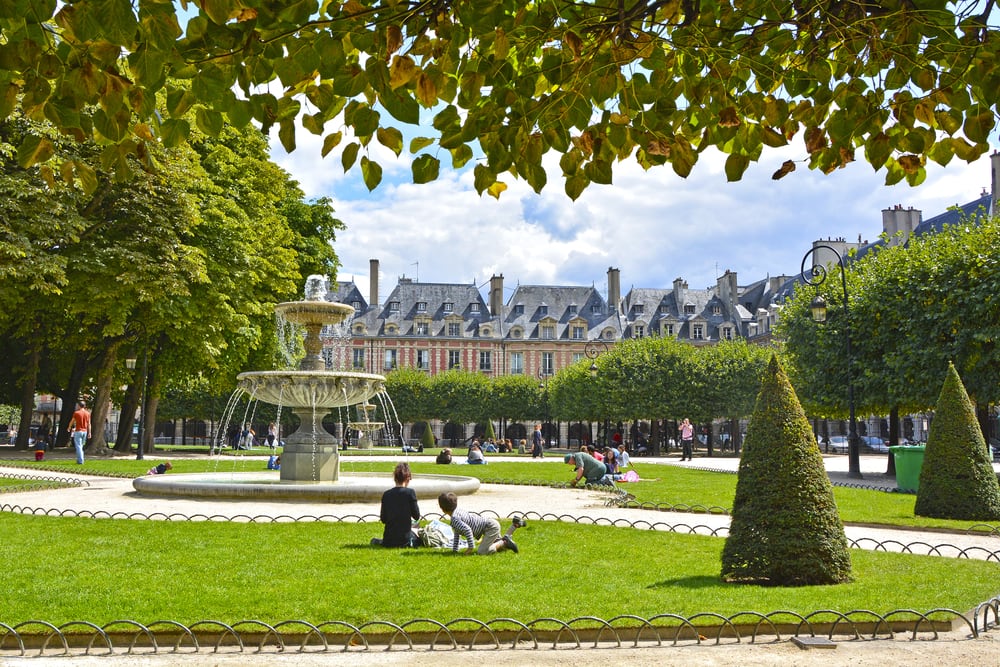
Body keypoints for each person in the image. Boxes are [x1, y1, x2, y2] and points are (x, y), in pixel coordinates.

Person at [437, 492, 525, 555]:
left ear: (442, 509)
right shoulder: (457, 512)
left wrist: (470, 548)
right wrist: (454, 550)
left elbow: (467, 530)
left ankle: (505, 542)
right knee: (499, 547)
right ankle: (514, 525)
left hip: (490, 527)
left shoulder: (455, 519)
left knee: (482, 551)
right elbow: (457, 532)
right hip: (490, 525)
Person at [372, 462, 421, 548]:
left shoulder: (386, 494)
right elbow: (416, 516)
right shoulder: (410, 493)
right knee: (417, 530)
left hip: (388, 539)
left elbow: (383, 519)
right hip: (404, 540)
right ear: (408, 478)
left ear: (395, 478)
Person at [67, 401, 91, 465]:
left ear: (79, 406)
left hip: (78, 431)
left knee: (78, 446)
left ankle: (80, 461)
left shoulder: (76, 413)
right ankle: (79, 460)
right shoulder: (88, 413)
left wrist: (69, 427)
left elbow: (72, 421)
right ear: (84, 406)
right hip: (85, 432)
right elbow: (89, 424)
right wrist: (89, 433)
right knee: (81, 446)